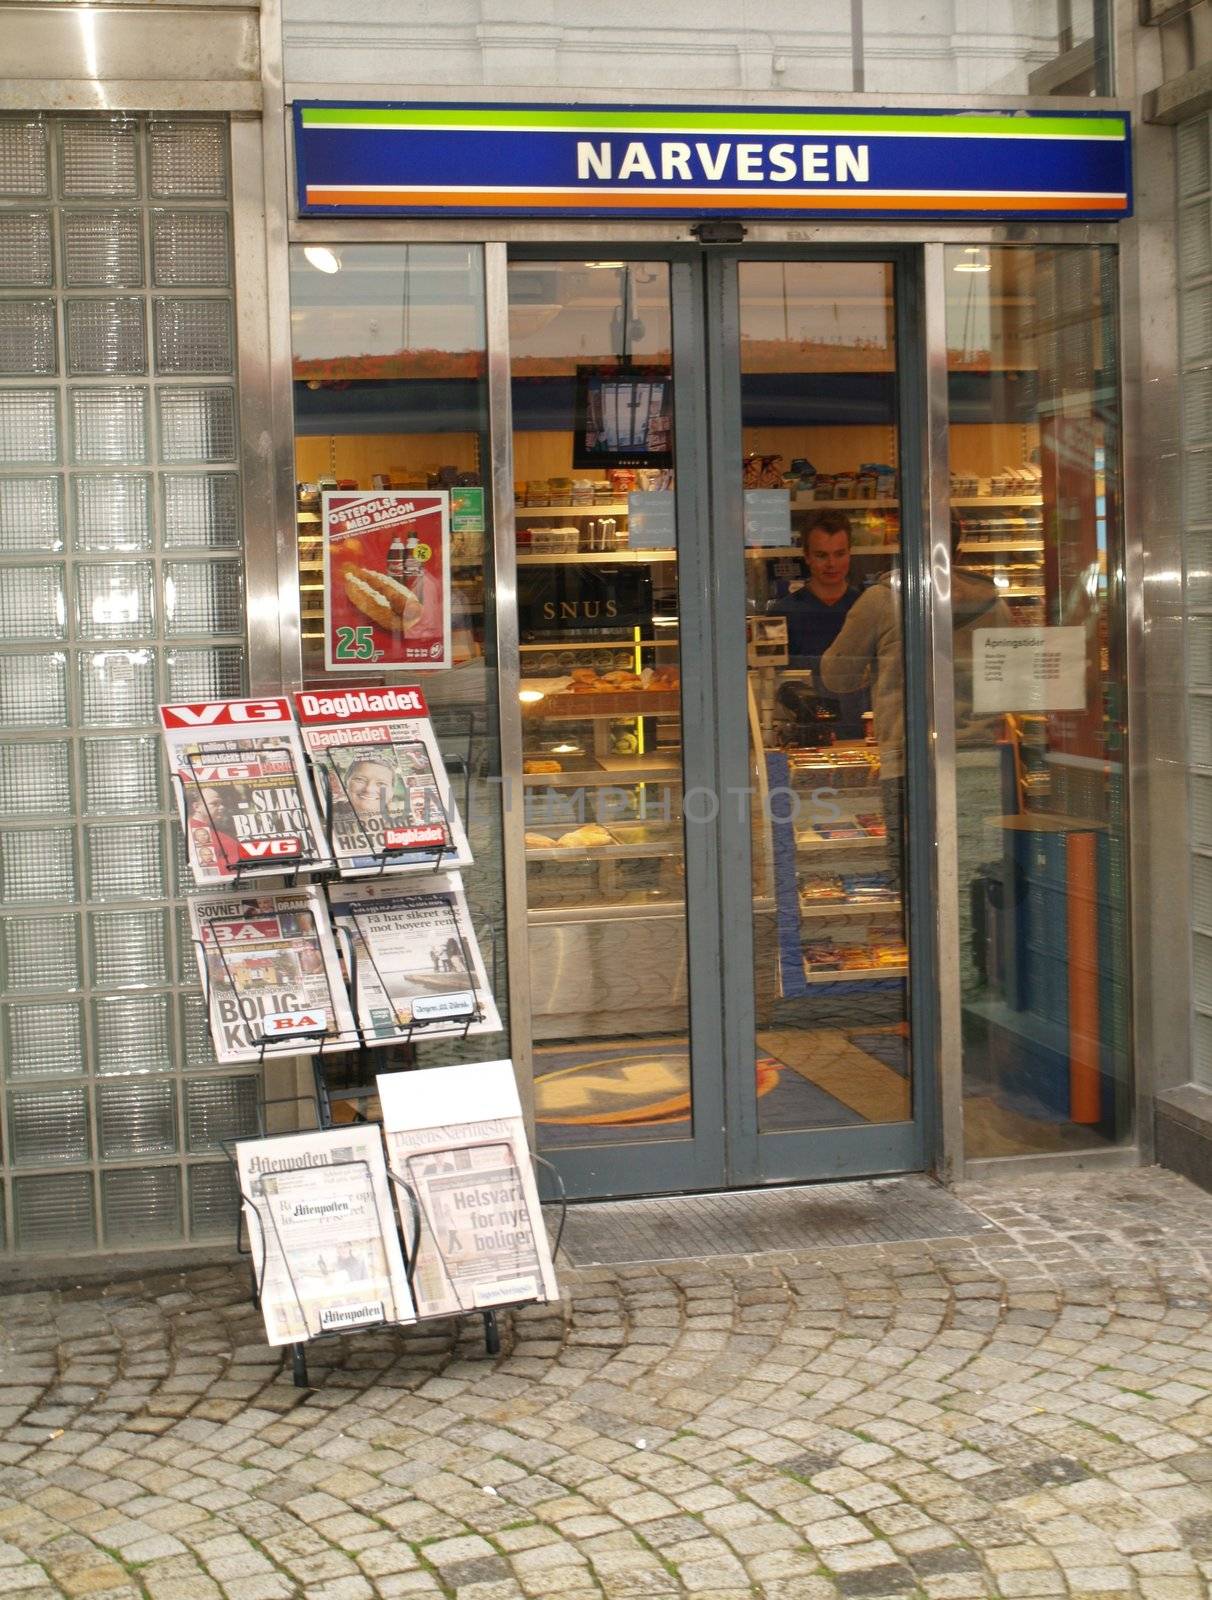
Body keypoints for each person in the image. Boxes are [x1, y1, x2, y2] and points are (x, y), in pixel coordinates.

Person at [819, 515, 1014, 894]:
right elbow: (1012, 686)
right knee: (974, 880)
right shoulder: (992, 603)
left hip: (909, 762)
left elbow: (836, 676)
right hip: (978, 761)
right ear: (960, 546)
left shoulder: (880, 600)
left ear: (903, 542)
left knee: (914, 884)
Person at [767, 512, 861, 667]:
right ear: (807, 556)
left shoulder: (867, 608)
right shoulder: (782, 613)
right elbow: (769, 676)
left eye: (839, 554)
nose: (831, 564)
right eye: (821, 555)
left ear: (850, 553)